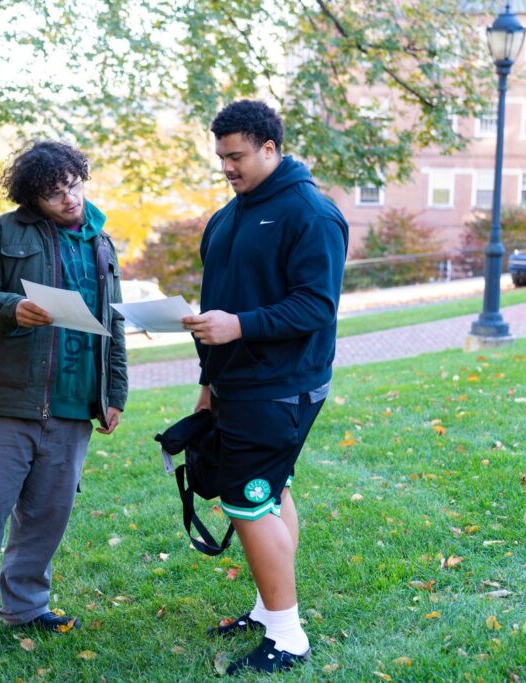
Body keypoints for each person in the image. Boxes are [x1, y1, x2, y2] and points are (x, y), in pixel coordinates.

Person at [0, 140, 128, 672]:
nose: (69, 199)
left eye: (74, 184)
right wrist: (11, 307)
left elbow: (112, 325)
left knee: (47, 517)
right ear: (33, 197)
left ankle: (25, 607)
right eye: (54, 192)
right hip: (8, 403)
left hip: (74, 406)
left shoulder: (102, 242)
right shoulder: (1, 233)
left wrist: (113, 394)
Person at [181, 100, 348, 676]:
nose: (227, 167)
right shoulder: (228, 217)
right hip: (235, 383)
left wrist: (240, 325)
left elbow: (316, 306)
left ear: (271, 149)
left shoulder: (311, 214)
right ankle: (266, 607)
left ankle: (287, 636)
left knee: (247, 501)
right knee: (271, 493)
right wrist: (208, 383)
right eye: (221, 157)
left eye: (237, 156)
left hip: (282, 385)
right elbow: (216, 305)